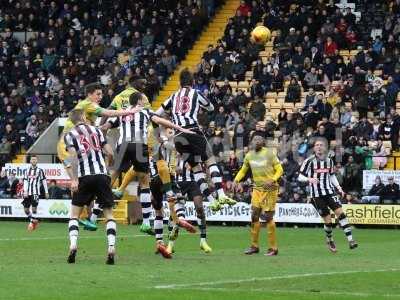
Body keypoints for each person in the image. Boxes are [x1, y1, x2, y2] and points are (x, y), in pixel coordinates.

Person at [103, 92, 194, 234]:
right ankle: (153, 221)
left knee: (117, 173)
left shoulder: (124, 113)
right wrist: (178, 128)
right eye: (144, 98)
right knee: (147, 183)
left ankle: (102, 204)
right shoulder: (147, 114)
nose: (146, 101)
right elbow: (160, 125)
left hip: (127, 147)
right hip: (147, 155)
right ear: (139, 100)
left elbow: (106, 124)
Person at [57, 82, 141, 230]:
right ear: (89, 94)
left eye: (101, 94)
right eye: (98, 94)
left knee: (87, 179)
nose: (100, 97)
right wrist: (129, 112)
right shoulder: (88, 104)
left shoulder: (84, 108)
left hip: (77, 144)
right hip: (68, 144)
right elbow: (108, 113)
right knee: (78, 180)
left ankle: (86, 217)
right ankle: (81, 216)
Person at [156, 68, 236, 212]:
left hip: (178, 137)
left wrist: (159, 132)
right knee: (210, 161)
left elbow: (156, 114)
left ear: (180, 83)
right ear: (192, 82)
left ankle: (212, 201)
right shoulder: (196, 93)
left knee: (196, 168)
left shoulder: (173, 96)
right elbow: (211, 107)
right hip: (192, 131)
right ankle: (222, 194)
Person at [64, 109, 116, 264]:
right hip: (102, 175)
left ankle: (73, 245)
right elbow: (110, 152)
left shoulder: (69, 135)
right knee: (109, 215)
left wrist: (74, 180)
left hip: (84, 177)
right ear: (84, 117)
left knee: (74, 215)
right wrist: (109, 164)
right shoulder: (96, 130)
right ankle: (111, 247)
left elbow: (73, 157)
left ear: (72, 121)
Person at [298, 138, 358, 253]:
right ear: (314, 148)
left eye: (321, 145)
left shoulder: (329, 161)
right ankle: (330, 239)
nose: (319, 147)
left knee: (341, 214)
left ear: (324, 148)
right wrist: (309, 179)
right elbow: (300, 177)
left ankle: (351, 240)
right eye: (317, 145)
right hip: (317, 195)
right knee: (328, 221)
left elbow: (331, 176)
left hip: (330, 192)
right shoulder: (309, 161)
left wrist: (339, 189)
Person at [232, 135, 283, 256]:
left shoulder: (269, 154)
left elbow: (280, 169)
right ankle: (254, 246)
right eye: (254, 140)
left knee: (268, 217)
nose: (257, 141)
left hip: (270, 188)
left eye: (259, 140)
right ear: (251, 142)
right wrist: (236, 180)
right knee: (254, 216)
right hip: (257, 188)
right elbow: (243, 170)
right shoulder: (249, 155)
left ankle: (273, 248)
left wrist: (273, 179)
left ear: (263, 142)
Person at [22, 155, 49, 231]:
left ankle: (31, 223)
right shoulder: (27, 170)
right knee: (26, 210)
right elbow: (25, 181)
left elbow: (44, 181)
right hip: (28, 193)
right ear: (30, 161)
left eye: (35, 159)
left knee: (34, 209)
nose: (33, 161)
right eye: (32, 159)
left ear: (37, 161)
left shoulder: (40, 170)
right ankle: (34, 220)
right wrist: (25, 191)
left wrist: (46, 192)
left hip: (36, 193)